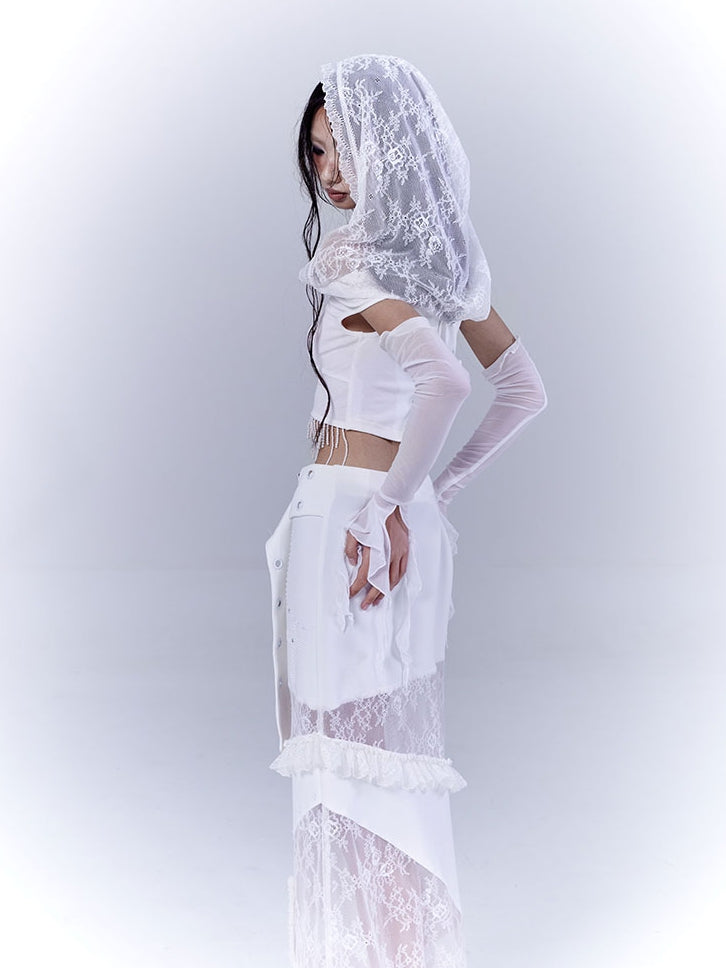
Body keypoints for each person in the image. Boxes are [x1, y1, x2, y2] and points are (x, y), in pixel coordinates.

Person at [265, 53, 548, 967]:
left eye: (344, 146)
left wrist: (386, 503)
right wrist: (429, 494)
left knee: (343, 757)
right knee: (379, 759)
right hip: (392, 524)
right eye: (317, 152)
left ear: (389, 143)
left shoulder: (353, 261)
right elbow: (523, 389)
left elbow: (445, 381)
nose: (330, 172)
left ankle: (367, 954)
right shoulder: (447, 263)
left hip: (354, 524)